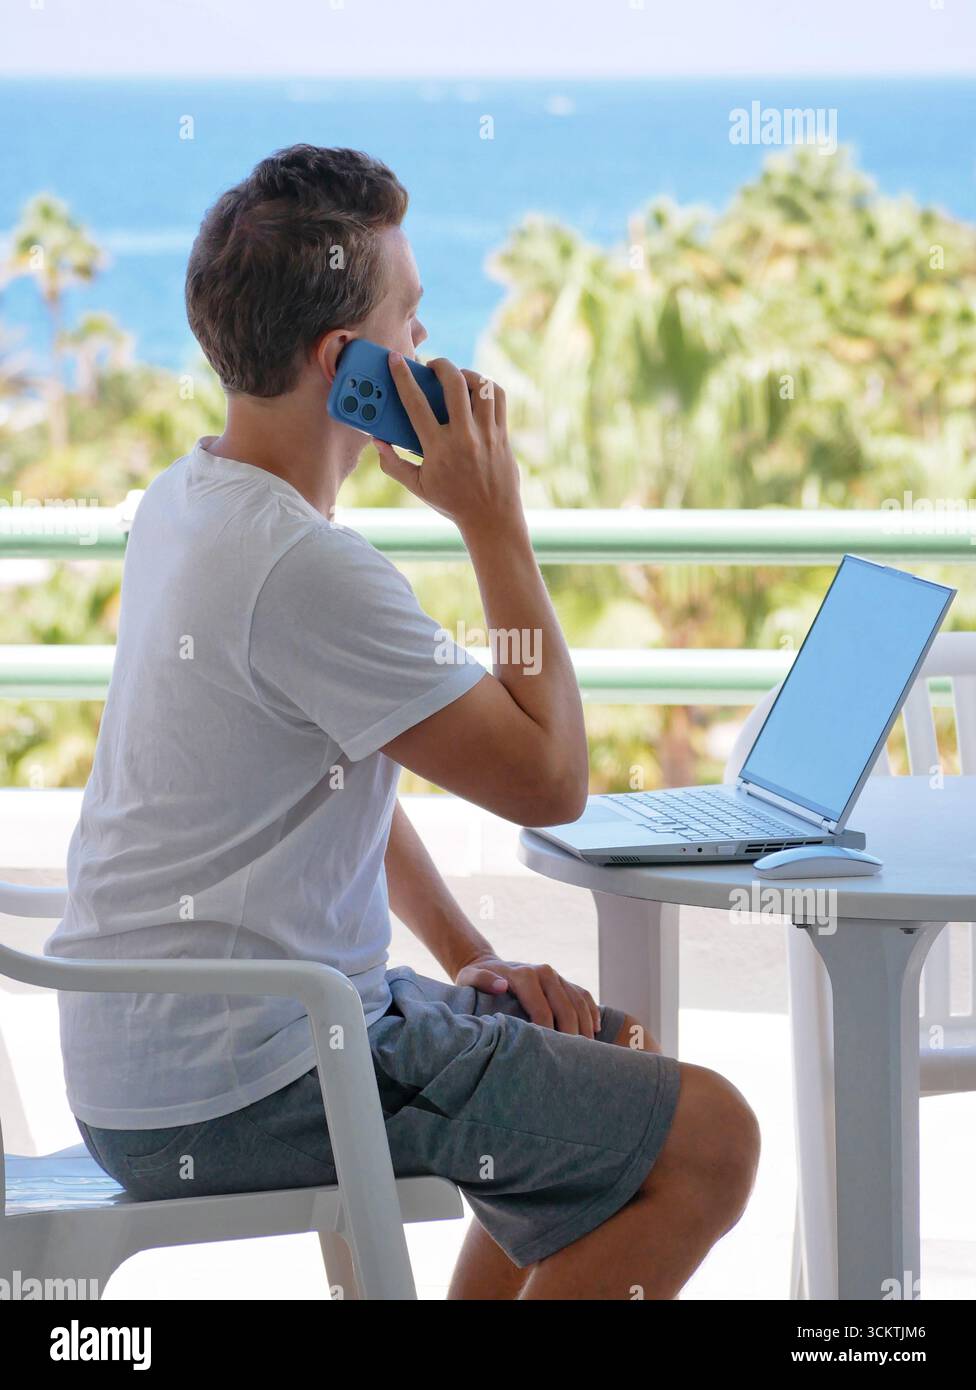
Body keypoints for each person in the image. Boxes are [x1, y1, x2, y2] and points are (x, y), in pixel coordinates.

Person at [47, 144, 759, 1299]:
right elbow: (551, 777)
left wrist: (469, 958)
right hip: (251, 1075)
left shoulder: (189, 500)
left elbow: (319, 780)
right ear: (347, 365)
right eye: (410, 323)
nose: (426, 352)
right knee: (709, 1139)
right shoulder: (305, 566)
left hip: (157, 1060)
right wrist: (495, 522)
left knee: (602, 1056)